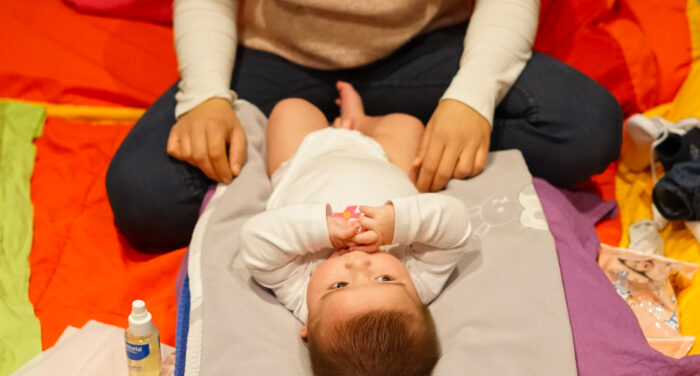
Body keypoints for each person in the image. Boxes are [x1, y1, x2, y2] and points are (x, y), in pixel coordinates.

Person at [106, 0, 622, 251]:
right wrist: (206, 97)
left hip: (424, 49)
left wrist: (472, 98)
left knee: (587, 130)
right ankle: (378, 138)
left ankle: (392, 132)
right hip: (274, 54)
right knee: (147, 197)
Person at [239, 82, 471, 375]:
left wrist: (322, 231)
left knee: (290, 109)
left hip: (305, 158)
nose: (359, 262)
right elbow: (456, 224)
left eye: (339, 286)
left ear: (309, 324)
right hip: (385, 159)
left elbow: (255, 241)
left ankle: (339, 124)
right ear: (421, 302)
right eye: (385, 278)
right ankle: (361, 122)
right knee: (408, 126)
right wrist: (396, 224)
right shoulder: (418, 277)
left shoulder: (301, 289)